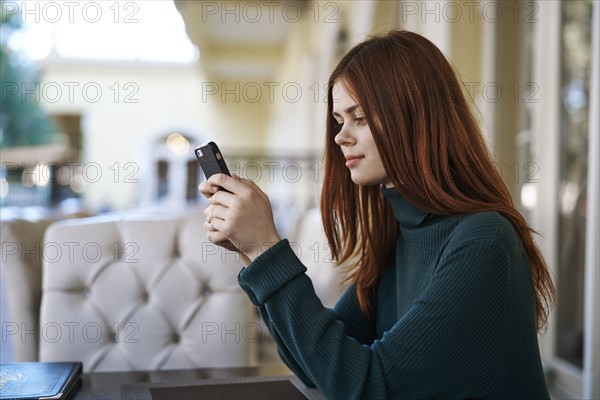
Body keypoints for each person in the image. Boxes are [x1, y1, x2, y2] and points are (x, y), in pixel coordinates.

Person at [200, 30, 555, 399]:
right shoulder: (400, 234)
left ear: (416, 117)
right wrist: (252, 250)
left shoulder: (483, 241)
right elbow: (314, 368)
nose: (340, 136)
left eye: (361, 118)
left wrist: (267, 249)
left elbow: (371, 387)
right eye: (339, 119)